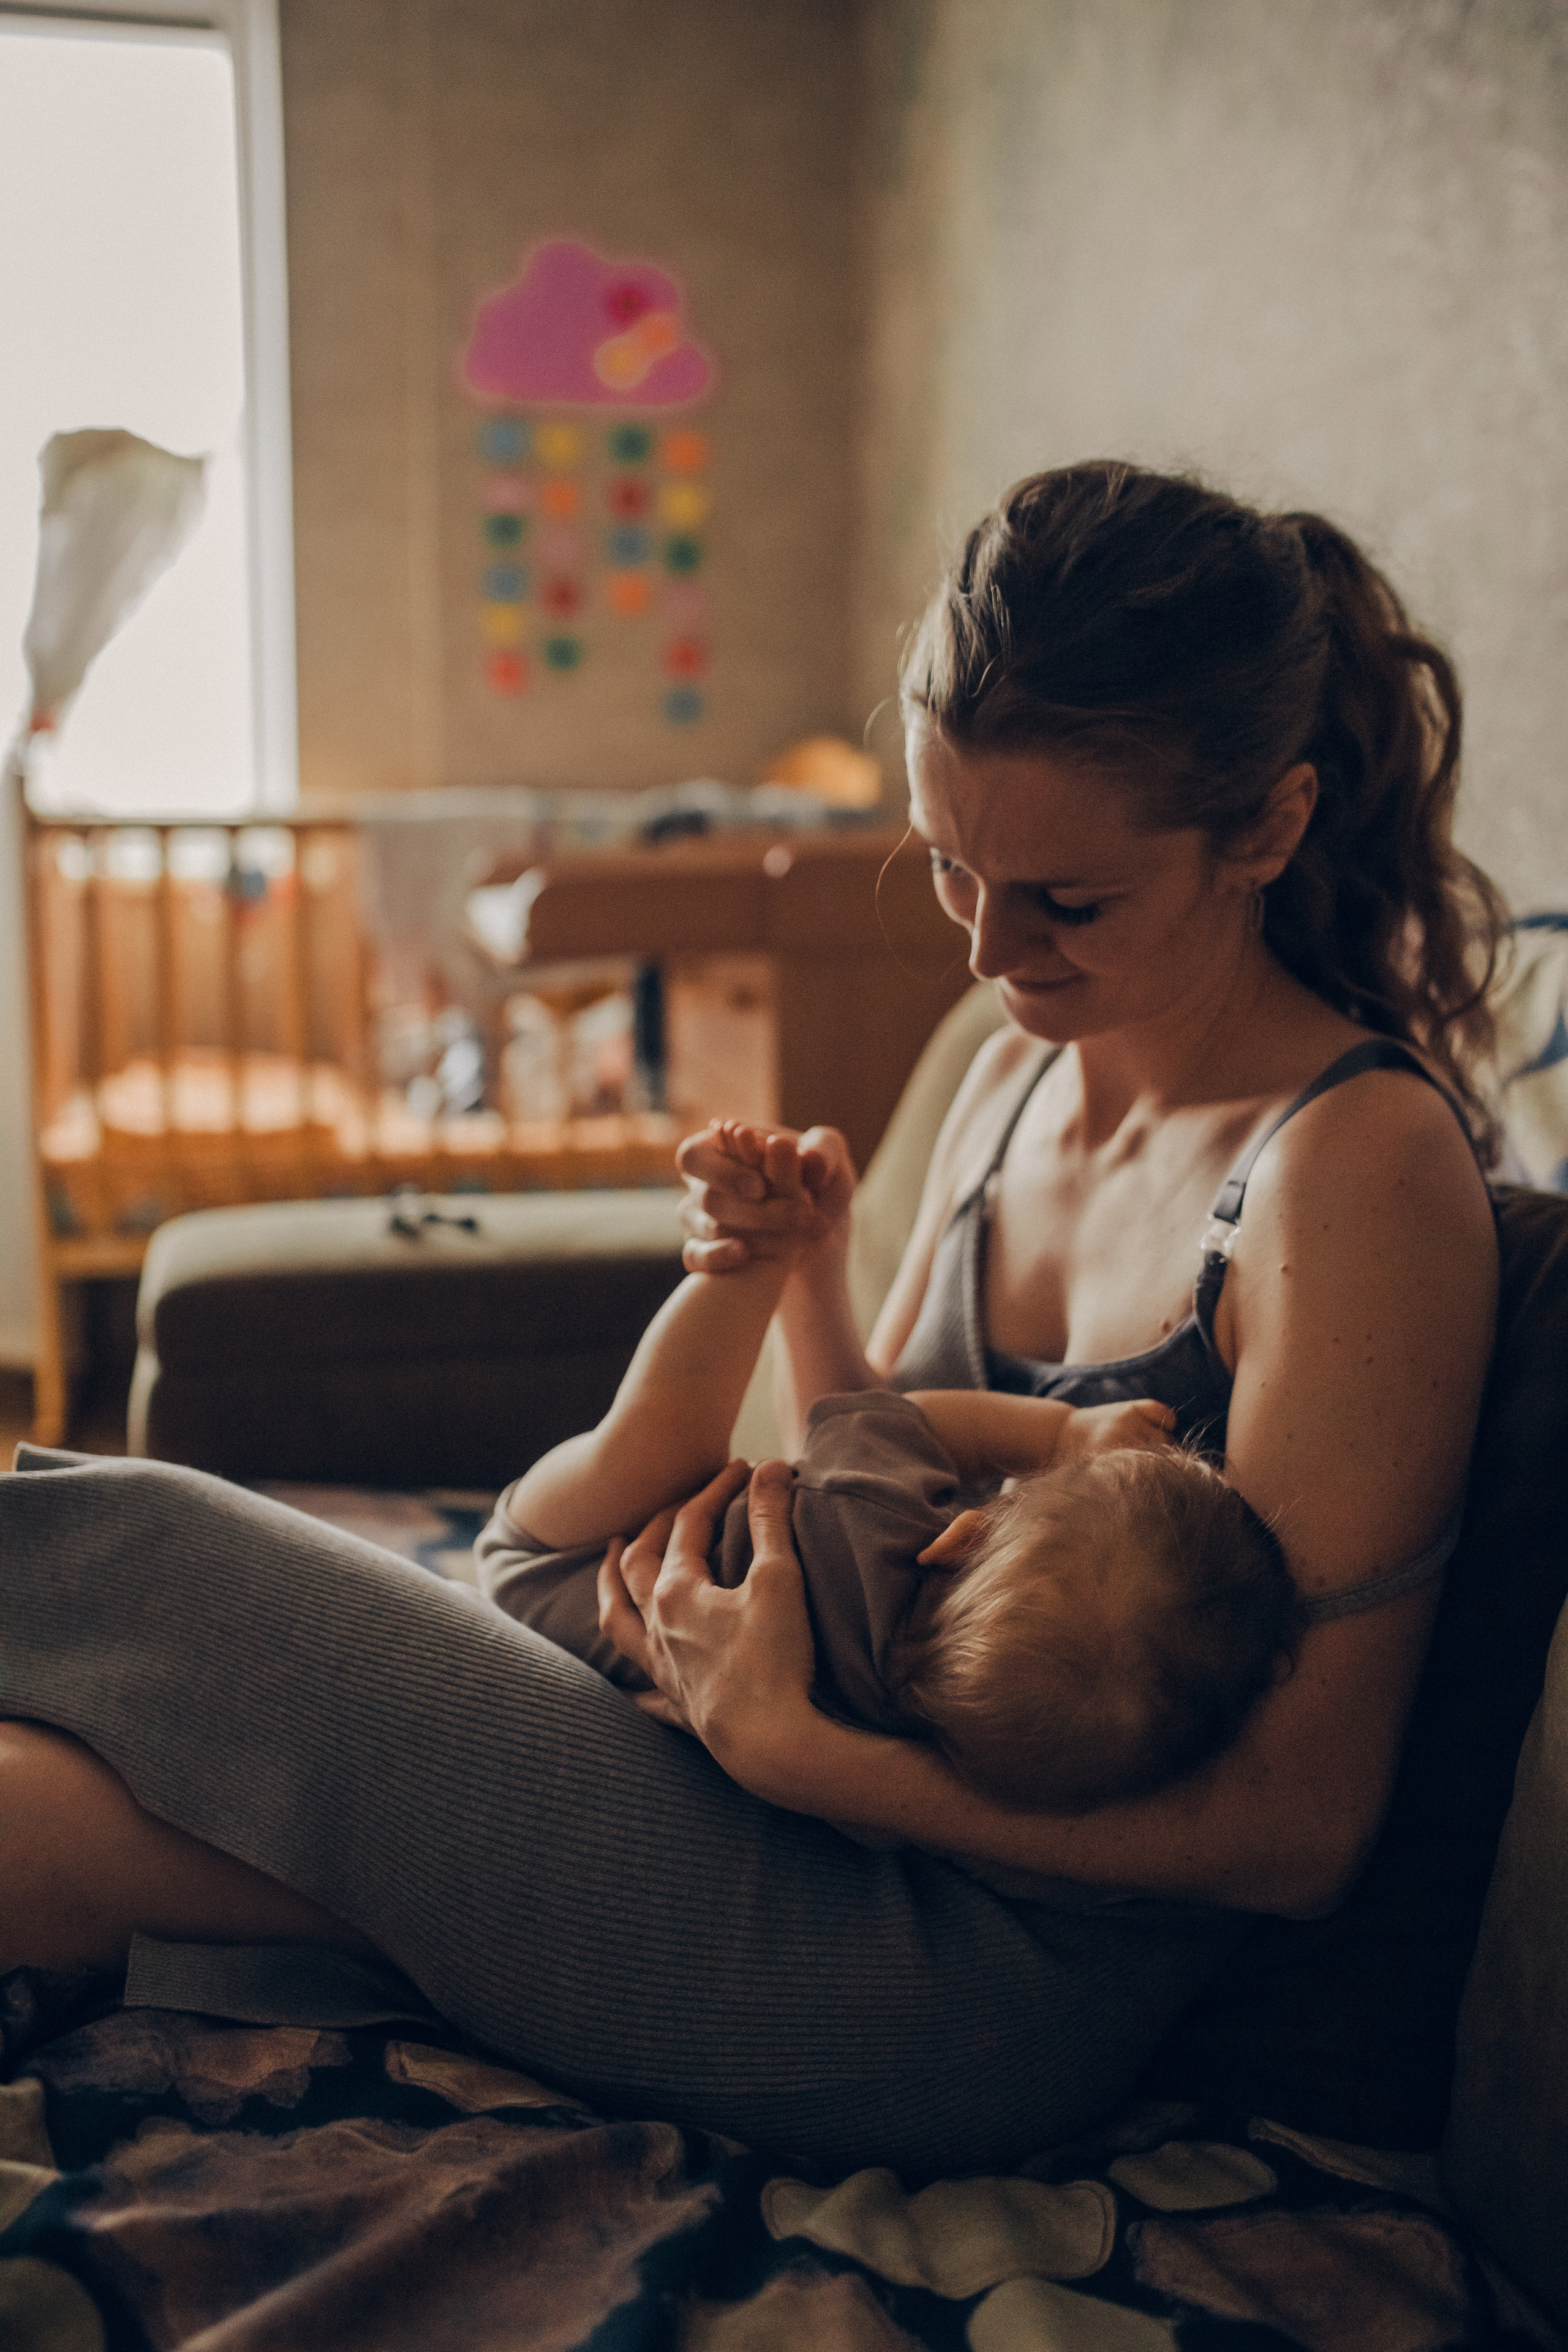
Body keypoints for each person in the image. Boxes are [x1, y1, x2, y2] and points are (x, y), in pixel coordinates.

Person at [0, 462, 1504, 2177]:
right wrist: (768, 1315)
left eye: (1066, 903)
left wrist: (803, 1758)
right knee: (47, 1808)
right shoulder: (1024, 1070)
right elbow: (856, 1448)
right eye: (950, 868)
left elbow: (1299, 1830)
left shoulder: (1358, 1173)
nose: (994, 951)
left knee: (149, 1547)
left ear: (1270, 827)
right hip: (764, 1802)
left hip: (956, 1976)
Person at [480, 1118, 1300, 1823]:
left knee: (661, 1442)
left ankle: (752, 1255)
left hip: (557, 1549)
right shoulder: (884, 1739)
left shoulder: (878, 1512)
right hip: (594, 1643)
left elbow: (915, 1422)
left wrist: (1063, 1433)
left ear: (961, 1535)